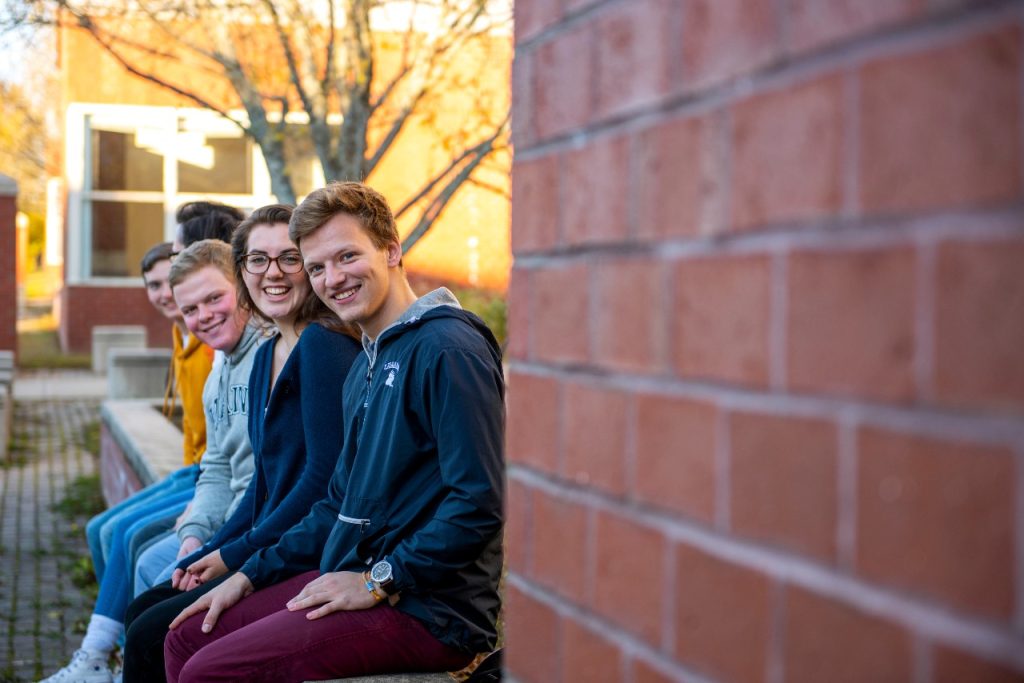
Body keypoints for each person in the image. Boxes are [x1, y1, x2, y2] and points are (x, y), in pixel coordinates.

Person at [164, 182, 506, 683]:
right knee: (186, 634)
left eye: (347, 256)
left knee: (209, 671)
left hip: (429, 609)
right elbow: (336, 503)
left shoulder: (446, 348)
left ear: (392, 249)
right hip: (353, 571)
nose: (333, 279)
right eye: (318, 266)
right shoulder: (371, 356)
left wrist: (376, 581)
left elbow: (479, 501)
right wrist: (250, 573)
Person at [119, 204, 361, 681]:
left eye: (288, 259)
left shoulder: (323, 344)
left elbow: (320, 484)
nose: (273, 273)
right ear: (243, 270)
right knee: (148, 606)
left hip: (310, 550)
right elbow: (263, 481)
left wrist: (236, 556)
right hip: (269, 539)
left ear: (309, 267)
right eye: (257, 260)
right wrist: (211, 548)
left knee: (154, 631)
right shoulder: (268, 351)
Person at [39, 240, 260, 683]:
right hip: (221, 516)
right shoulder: (218, 371)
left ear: (242, 287)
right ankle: (114, 664)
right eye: (191, 309)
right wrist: (195, 533)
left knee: (149, 602)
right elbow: (215, 466)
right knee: (139, 563)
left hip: (253, 530)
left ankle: (120, 663)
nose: (204, 315)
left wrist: (217, 544)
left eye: (214, 298)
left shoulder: (271, 357)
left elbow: (272, 478)